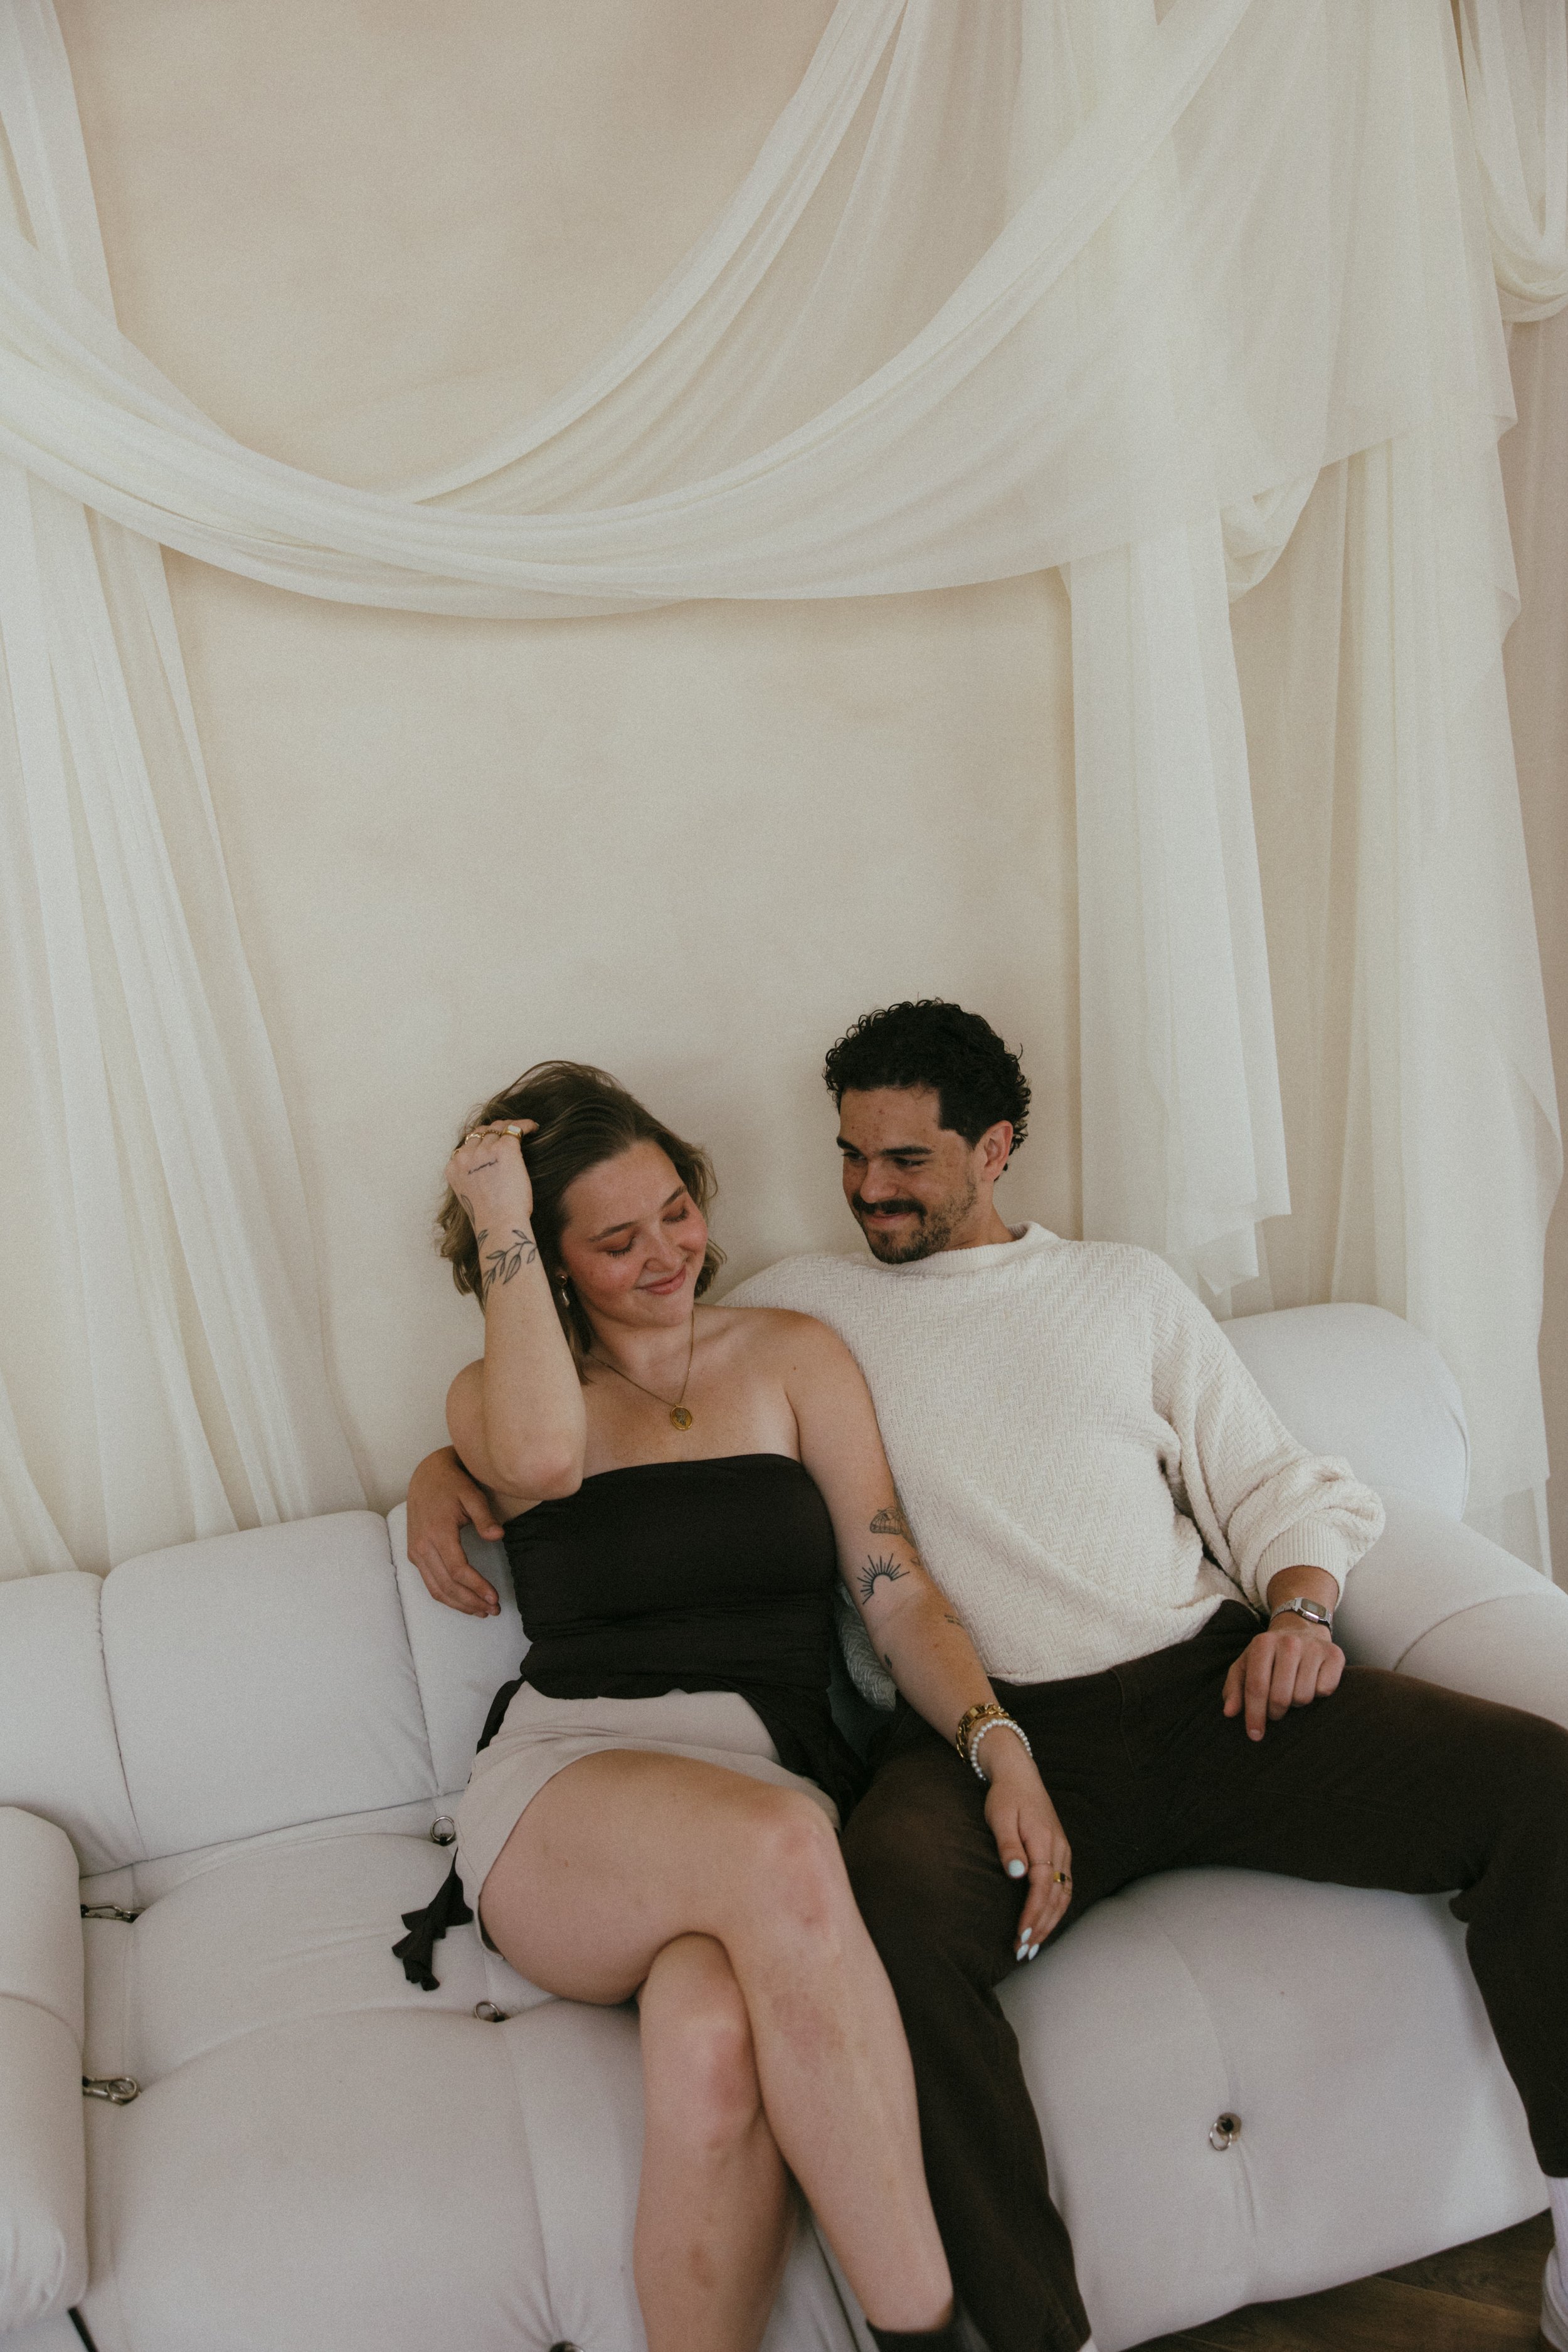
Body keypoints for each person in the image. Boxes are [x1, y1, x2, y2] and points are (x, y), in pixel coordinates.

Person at [410, 1004, 1568, 2352]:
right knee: (887, 1925)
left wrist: (1301, 1609)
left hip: (1204, 1691)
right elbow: (566, 1447)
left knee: (1541, 1785)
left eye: (905, 1160)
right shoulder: (811, 1300)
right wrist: (445, 1470)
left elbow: (1262, 1485)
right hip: (975, 1736)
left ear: (995, 1148)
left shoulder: (1112, 1290)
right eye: (850, 1157)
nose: (869, 1190)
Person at [398, 1058, 1079, 2352]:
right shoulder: (504, 1400)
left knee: (713, 2045)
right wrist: (495, 1212)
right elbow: (539, 1458)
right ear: (547, 1262)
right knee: (783, 1848)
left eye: (675, 1210)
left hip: (767, 1798)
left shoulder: (791, 1358)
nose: (666, 1253)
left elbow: (893, 1591)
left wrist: (998, 1744)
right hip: (570, 1802)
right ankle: (930, 2336)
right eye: (614, 1241)